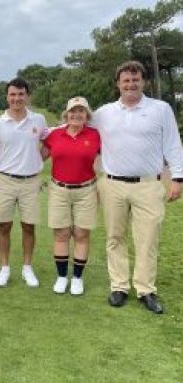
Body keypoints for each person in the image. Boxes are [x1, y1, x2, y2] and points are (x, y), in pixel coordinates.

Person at [93, 61, 183, 314]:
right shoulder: (104, 113)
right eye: (126, 80)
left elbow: (173, 144)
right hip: (112, 185)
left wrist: (178, 178)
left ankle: (146, 290)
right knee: (115, 237)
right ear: (118, 83)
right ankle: (119, 286)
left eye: (135, 80)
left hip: (148, 185)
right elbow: (76, 127)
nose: (131, 84)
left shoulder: (160, 109)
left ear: (143, 82)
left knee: (147, 239)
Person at [0, 78, 48, 287]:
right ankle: (4, 268)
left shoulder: (38, 120)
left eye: (21, 94)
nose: (16, 98)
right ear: (7, 97)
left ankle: (27, 268)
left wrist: (38, 159)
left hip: (31, 181)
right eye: (13, 95)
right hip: (5, 180)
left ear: (27, 96)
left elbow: (50, 142)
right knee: (4, 226)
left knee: (29, 226)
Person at [42, 97, 100, 295]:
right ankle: (61, 277)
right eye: (72, 111)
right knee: (61, 234)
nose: (76, 115)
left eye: (81, 111)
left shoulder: (95, 135)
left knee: (82, 234)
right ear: (66, 115)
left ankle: (77, 278)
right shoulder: (54, 134)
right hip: (59, 189)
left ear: (87, 115)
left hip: (87, 190)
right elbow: (39, 155)